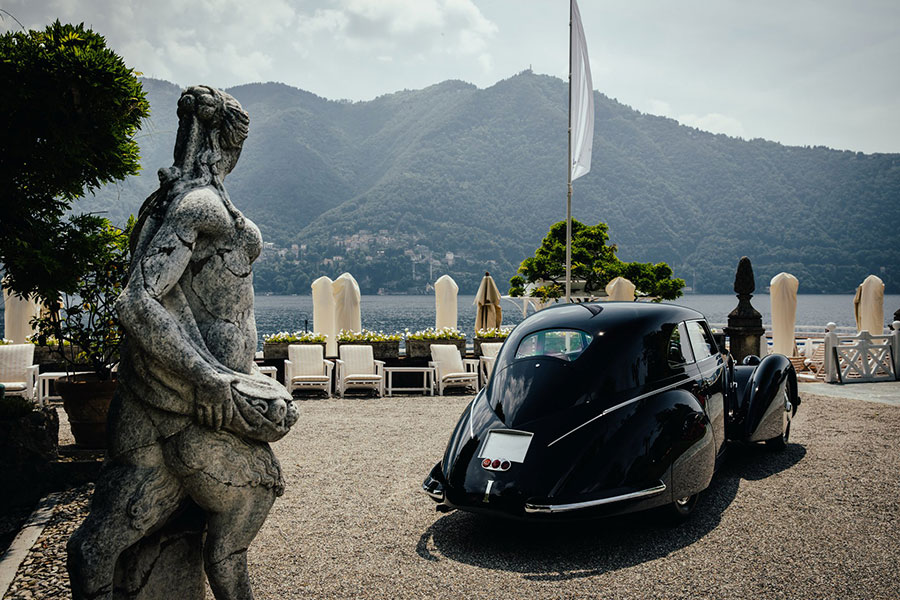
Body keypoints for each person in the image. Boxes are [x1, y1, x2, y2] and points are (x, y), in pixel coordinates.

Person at [68, 85, 297, 600]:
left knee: (114, 531)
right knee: (248, 493)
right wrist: (208, 377)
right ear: (226, 144)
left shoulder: (186, 202)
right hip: (191, 399)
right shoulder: (198, 205)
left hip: (210, 390)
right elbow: (137, 301)